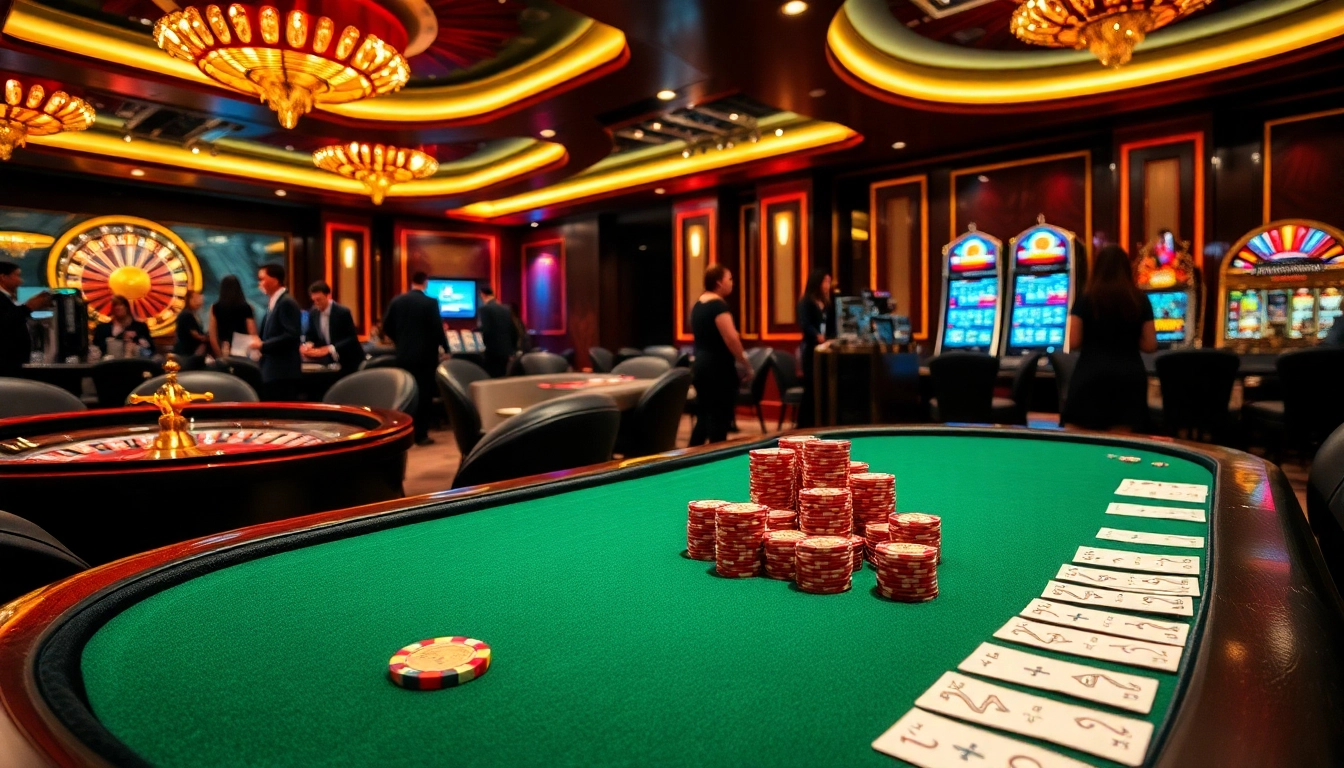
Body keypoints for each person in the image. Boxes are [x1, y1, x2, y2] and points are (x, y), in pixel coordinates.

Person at [1063, 244, 1158, 432]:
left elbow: (1073, 342)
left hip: (1090, 375)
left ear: (1097, 268)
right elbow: (1150, 344)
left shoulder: (1085, 298)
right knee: (1122, 450)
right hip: (1128, 378)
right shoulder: (1139, 299)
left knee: (1082, 446)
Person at [383, 272, 450, 445]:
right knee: (424, 395)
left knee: (405, 394)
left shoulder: (397, 301)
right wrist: (446, 348)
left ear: (412, 282)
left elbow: (386, 326)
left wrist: (400, 341)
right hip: (426, 357)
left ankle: (403, 432)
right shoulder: (430, 302)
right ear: (425, 283)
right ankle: (421, 435)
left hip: (403, 355)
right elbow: (437, 329)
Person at [689, 264, 750, 446]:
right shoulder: (718, 306)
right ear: (718, 283)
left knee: (703, 417)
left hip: (700, 366)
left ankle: (689, 459)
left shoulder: (698, 305)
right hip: (718, 369)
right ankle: (716, 459)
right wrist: (745, 363)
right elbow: (731, 338)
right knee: (719, 419)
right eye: (729, 279)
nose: (732, 283)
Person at [249, 263, 302, 401]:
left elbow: (291, 335)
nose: (260, 283)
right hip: (272, 371)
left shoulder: (286, 302)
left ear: (276, 280)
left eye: (263, 279)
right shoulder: (274, 302)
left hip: (283, 372)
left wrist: (263, 345)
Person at [795, 268, 832, 428]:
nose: (828, 286)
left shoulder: (827, 302)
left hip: (825, 349)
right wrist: (817, 336)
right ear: (817, 283)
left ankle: (822, 421)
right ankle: (804, 424)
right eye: (826, 282)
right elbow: (805, 324)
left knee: (824, 385)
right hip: (811, 349)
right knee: (811, 386)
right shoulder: (805, 302)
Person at [0, 261, 50, 376]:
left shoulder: (6, 298)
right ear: (3, 277)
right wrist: (28, 307)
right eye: (16, 275)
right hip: (6, 365)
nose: (20, 281)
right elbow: (5, 322)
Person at [302, 281, 360, 372]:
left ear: (328, 296)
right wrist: (309, 343)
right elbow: (311, 334)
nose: (316, 303)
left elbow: (351, 338)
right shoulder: (314, 312)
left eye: (319, 299)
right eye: (314, 300)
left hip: (348, 360)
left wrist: (331, 348)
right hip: (327, 361)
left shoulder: (343, 312)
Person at [208, 275, 257, 357]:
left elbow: (212, 334)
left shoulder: (215, 307)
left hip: (223, 346)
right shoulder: (246, 307)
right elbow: (252, 332)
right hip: (242, 349)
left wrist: (219, 355)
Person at [476, 284, 517, 377]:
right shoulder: (506, 309)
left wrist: (481, 346)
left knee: (490, 377)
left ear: (482, 294)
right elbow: (513, 329)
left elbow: (486, 330)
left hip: (491, 351)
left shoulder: (484, 309)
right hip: (506, 350)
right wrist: (512, 349)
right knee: (502, 377)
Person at [173, 290, 208, 358]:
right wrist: (207, 339)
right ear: (190, 299)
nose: (200, 301)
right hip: (186, 353)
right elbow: (195, 335)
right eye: (197, 298)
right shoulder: (187, 315)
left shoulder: (193, 314)